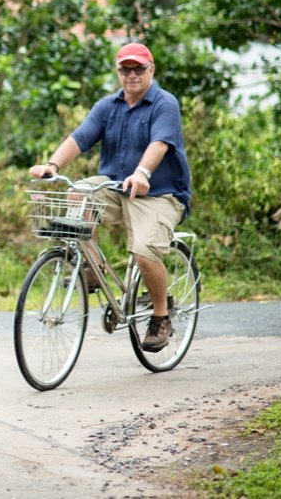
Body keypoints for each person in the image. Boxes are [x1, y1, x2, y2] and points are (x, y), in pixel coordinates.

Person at [28, 42, 191, 352]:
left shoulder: (164, 103)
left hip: (159, 194)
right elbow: (80, 138)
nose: (132, 75)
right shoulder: (107, 106)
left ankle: (160, 316)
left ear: (151, 69)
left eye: (138, 68)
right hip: (117, 187)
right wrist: (53, 165)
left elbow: (159, 144)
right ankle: (92, 270)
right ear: (118, 72)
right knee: (78, 193)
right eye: (125, 69)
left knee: (144, 252)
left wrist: (142, 173)